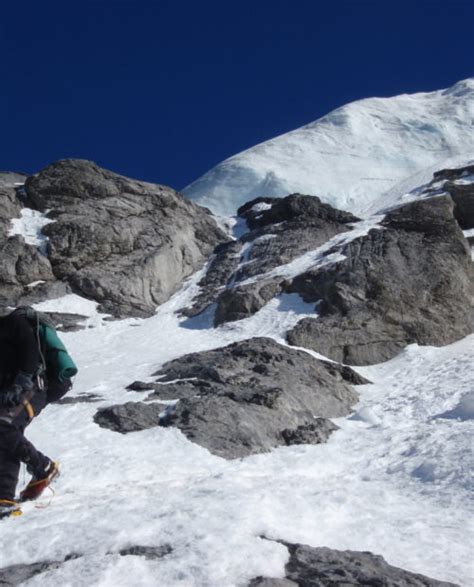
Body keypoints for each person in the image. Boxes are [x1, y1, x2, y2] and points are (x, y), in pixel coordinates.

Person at [0, 309, 71, 518]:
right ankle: (4, 499)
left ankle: (43, 466)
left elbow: (30, 354)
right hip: (8, 394)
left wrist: (20, 384)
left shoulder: (13, 323)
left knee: (4, 425)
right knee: (5, 434)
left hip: (32, 388)